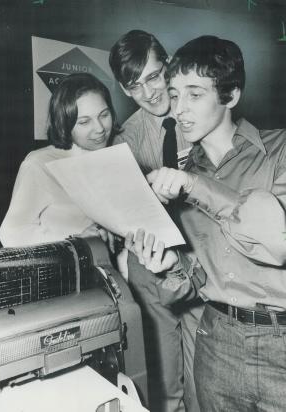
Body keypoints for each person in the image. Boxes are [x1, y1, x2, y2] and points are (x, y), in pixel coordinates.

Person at [126, 35, 286, 411]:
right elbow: (190, 286)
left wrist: (197, 186)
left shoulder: (279, 152)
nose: (179, 109)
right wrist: (170, 268)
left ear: (230, 96)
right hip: (215, 344)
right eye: (175, 95)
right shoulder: (182, 180)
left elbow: (277, 243)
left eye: (194, 94)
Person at [109, 30, 200, 412]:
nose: (148, 93)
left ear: (168, 65)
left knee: (202, 378)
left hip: (200, 263)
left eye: (153, 76)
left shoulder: (198, 117)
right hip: (151, 268)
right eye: (134, 86)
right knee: (165, 386)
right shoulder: (124, 141)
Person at [0, 73, 120, 247]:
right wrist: (74, 241)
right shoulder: (38, 164)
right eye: (84, 122)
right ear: (64, 124)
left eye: (104, 115)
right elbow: (11, 234)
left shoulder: (112, 157)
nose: (100, 128)